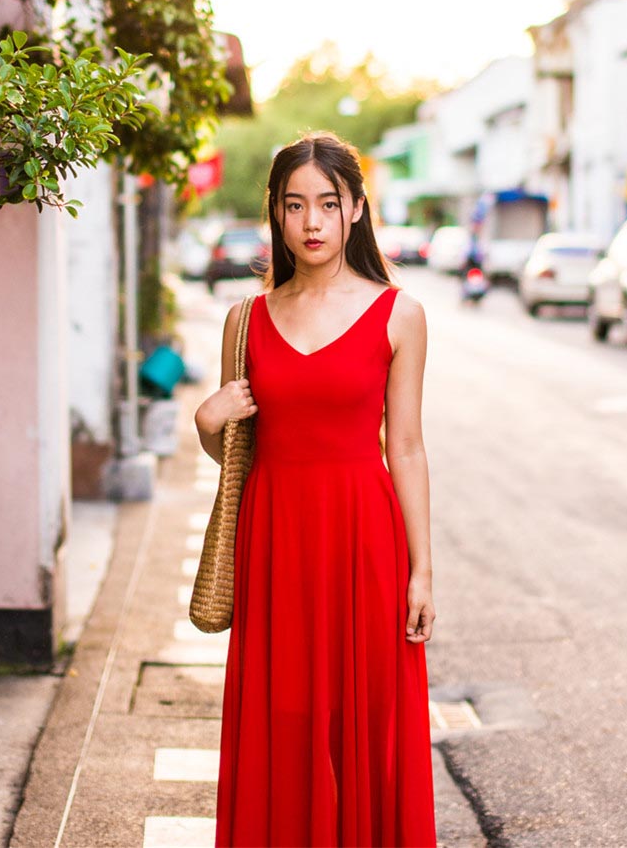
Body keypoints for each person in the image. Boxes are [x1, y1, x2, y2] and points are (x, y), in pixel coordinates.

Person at [195, 132, 437, 847]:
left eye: (327, 204)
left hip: (366, 542)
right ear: (276, 211)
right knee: (287, 720)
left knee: (365, 723)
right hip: (275, 544)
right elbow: (236, 451)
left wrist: (423, 569)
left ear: (355, 209)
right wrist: (207, 421)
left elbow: (410, 447)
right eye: (295, 204)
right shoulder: (245, 319)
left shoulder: (400, 313)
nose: (311, 222)